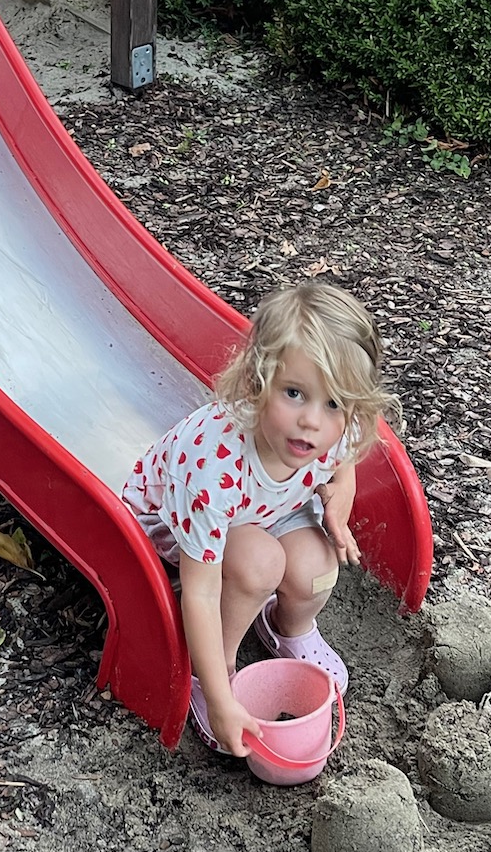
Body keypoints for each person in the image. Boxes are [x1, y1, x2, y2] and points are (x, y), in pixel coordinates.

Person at [121, 282, 397, 757]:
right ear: (257, 382)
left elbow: (346, 453)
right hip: (178, 525)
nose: (312, 421)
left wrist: (342, 497)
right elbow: (201, 592)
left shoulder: (332, 425)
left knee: (316, 567)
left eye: (332, 403)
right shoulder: (214, 467)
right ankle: (213, 676)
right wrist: (225, 700)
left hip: (269, 510)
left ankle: (285, 627)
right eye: (294, 393)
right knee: (261, 565)